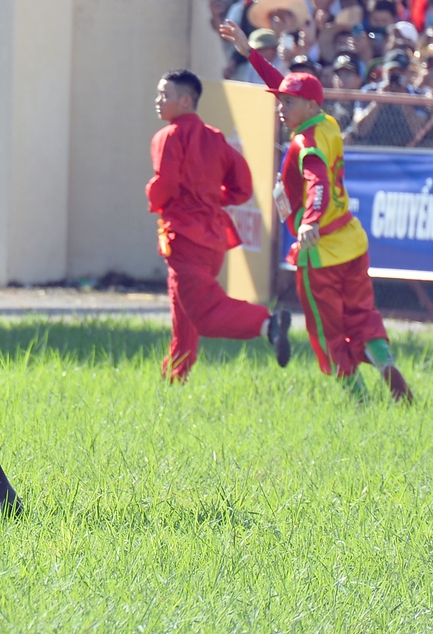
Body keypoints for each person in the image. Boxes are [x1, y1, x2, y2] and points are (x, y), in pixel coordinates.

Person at [218, 20, 413, 402]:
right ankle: (381, 356)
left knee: (326, 329)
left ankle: (359, 400)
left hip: (319, 250)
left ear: (308, 104)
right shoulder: (325, 123)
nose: (281, 107)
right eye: (280, 101)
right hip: (351, 242)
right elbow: (287, 85)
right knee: (361, 313)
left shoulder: (306, 141)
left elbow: (318, 182)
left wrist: (308, 223)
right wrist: (250, 53)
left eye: (288, 103)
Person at [147, 68, 289, 382]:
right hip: (212, 240)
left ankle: (267, 324)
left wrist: (154, 196)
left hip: (184, 236)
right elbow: (243, 187)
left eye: (165, 95)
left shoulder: (168, 136)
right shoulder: (214, 137)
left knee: (205, 315)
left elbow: (165, 185)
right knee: (184, 313)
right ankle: (174, 379)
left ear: (186, 101)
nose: (158, 101)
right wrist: (211, 198)